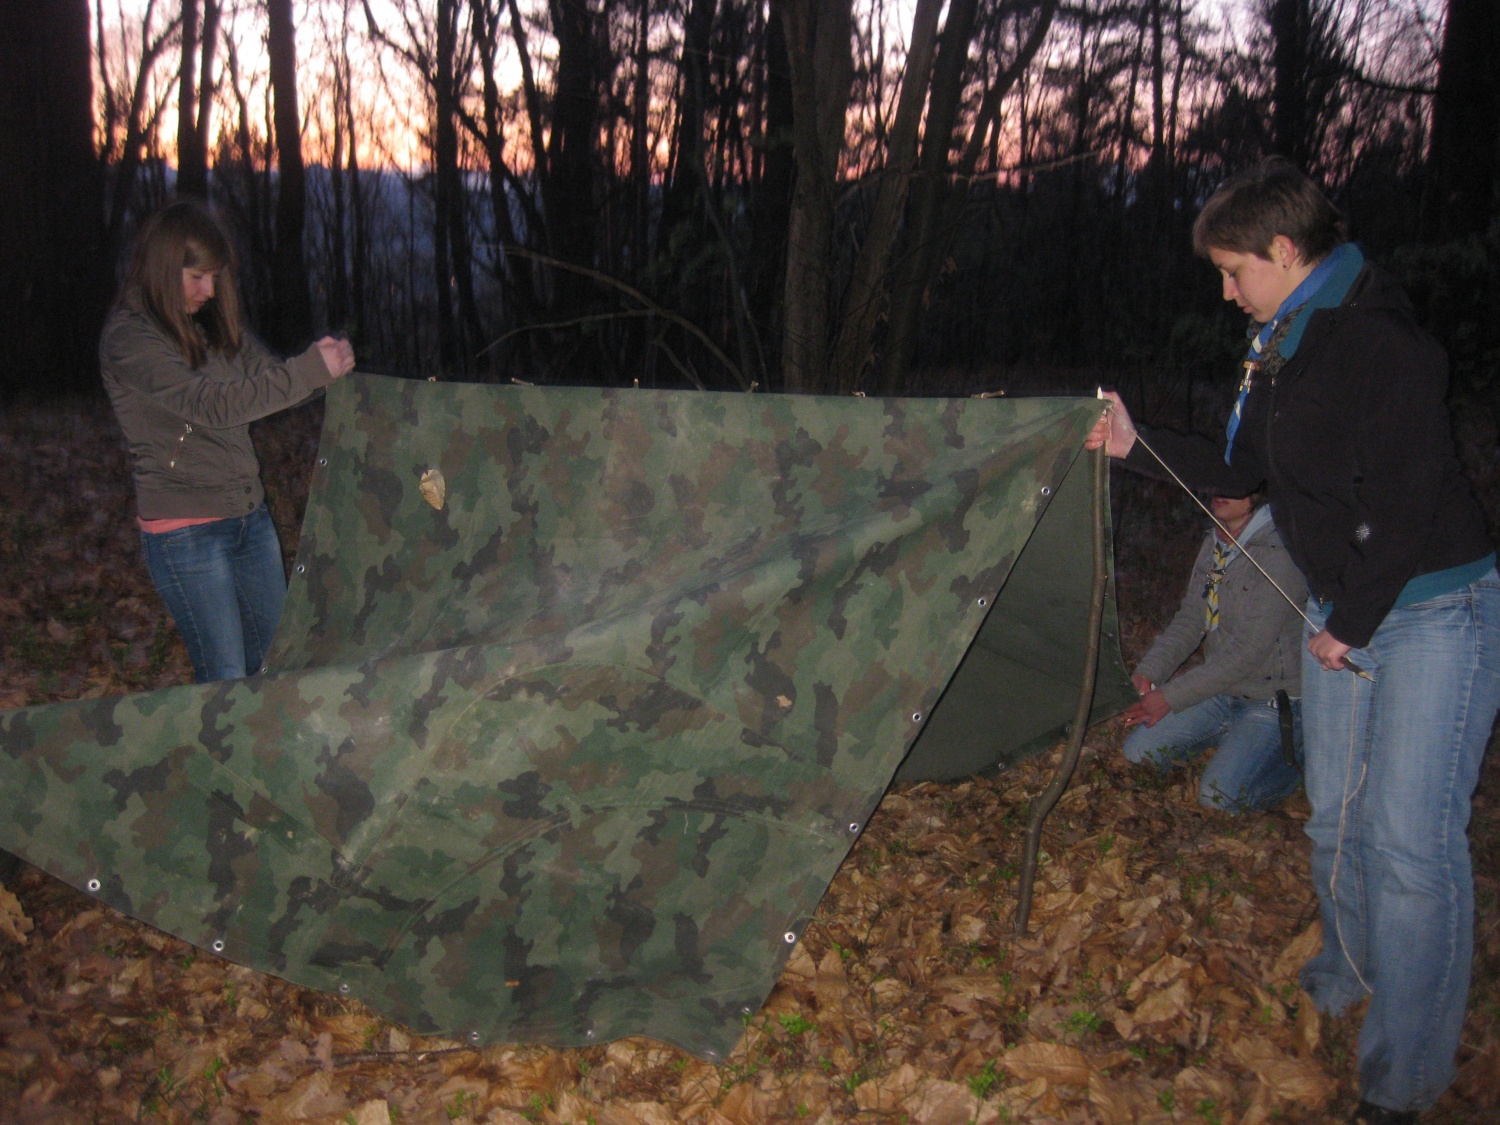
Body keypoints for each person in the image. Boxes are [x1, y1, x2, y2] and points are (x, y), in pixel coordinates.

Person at [1085, 158, 1498, 1125]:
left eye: (1233, 270)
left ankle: (1403, 1080)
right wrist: (1135, 444)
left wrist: (1346, 622)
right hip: (1345, 606)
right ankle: (1347, 974)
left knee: (1409, 843)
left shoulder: (1382, 343)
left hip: (1435, 610)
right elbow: (1239, 466)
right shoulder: (1283, 339)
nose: (1225, 292)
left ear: (1282, 250)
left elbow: (1408, 503)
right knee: (1333, 820)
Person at [101, 200, 355, 683]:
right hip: (187, 533)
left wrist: (326, 372)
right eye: (197, 277)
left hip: (248, 522)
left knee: (274, 666)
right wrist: (305, 372)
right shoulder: (129, 339)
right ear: (161, 268)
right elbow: (212, 406)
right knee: (224, 681)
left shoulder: (212, 325)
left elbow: (272, 382)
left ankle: (270, 759)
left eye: (215, 277)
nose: (209, 290)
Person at [1122, 490, 1305, 813]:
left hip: (1273, 699)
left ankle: (1298, 760)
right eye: (1216, 485)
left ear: (1259, 493)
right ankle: (1234, 741)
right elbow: (1193, 618)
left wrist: (1170, 697)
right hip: (1221, 693)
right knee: (1139, 756)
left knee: (1219, 798)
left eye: (1235, 488)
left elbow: (1247, 651)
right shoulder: (1217, 541)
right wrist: (1149, 672)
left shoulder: (1280, 549)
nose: (1221, 494)